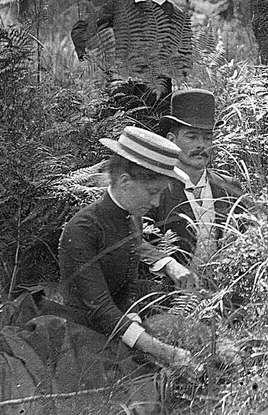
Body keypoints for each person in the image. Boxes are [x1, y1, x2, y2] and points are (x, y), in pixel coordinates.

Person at [58, 126, 194, 368]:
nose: (155, 202)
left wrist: (137, 328)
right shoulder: (83, 228)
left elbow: (125, 289)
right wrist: (162, 351)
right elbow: (99, 308)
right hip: (79, 334)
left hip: (117, 326)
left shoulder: (132, 217)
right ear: (124, 181)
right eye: (153, 192)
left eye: (161, 193)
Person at [71, 0, 193, 104]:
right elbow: (80, 30)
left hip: (158, 99)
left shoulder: (177, 15)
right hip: (120, 96)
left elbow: (185, 59)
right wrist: (99, 61)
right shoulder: (118, 7)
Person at [144, 89, 248, 272]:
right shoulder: (155, 189)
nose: (201, 144)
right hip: (172, 296)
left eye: (207, 137)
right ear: (171, 140)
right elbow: (136, 242)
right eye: (191, 136)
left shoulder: (229, 186)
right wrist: (168, 266)